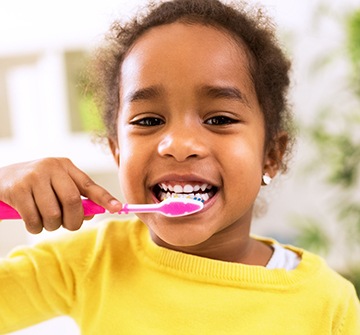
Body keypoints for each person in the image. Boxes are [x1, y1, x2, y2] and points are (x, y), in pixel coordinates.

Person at [0, 0, 359, 333]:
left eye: (219, 119)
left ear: (271, 155)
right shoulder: (88, 262)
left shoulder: (327, 302)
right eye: (148, 120)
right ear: (118, 153)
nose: (179, 145)